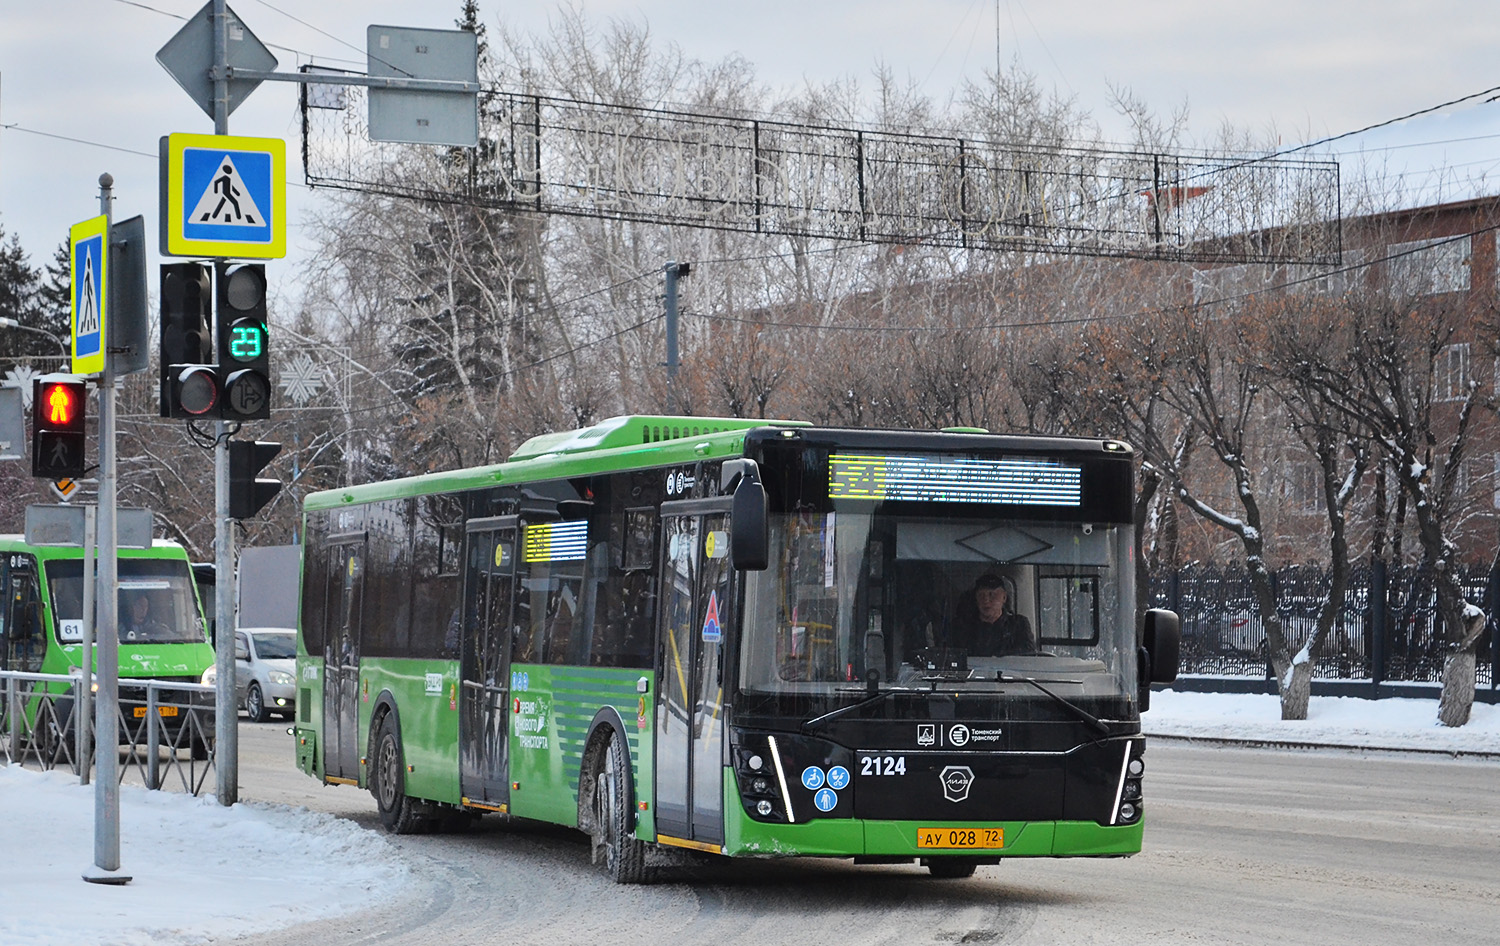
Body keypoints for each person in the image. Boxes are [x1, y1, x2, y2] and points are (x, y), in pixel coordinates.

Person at [951, 570, 1035, 656]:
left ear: (1004, 597)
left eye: (992, 594)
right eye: (981, 595)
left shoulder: (1019, 624)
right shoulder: (963, 626)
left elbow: (1028, 653)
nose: (986, 600)